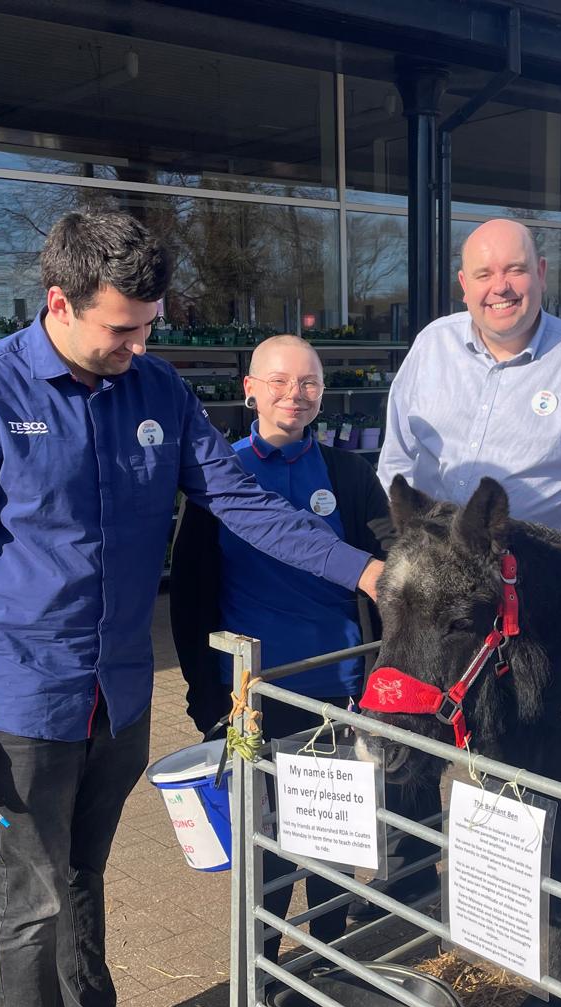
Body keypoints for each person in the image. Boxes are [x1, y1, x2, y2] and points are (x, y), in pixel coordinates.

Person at [0, 212, 384, 1007]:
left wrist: (363, 573)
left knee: (82, 874)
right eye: (121, 328)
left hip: (115, 696)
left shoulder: (154, 389)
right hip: (16, 702)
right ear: (59, 305)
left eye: (149, 325)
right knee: (30, 896)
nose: (139, 345)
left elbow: (244, 505)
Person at [170, 334, 390, 952]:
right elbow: (189, 600)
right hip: (253, 693)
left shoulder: (348, 474)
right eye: (278, 380)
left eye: (308, 382)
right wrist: (203, 695)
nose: (294, 393)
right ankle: (262, 968)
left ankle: (327, 961)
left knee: (329, 842)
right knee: (261, 842)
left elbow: (390, 570)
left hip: (337, 691)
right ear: (249, 390)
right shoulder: (219, 480)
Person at [375, 218, 561, 558]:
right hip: (433, 566)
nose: (500, 287)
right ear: (464, 284)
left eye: (515, 270)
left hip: (530, 576)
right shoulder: (431, 346)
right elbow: (396, 460)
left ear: (540, 273)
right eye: (484, 275)